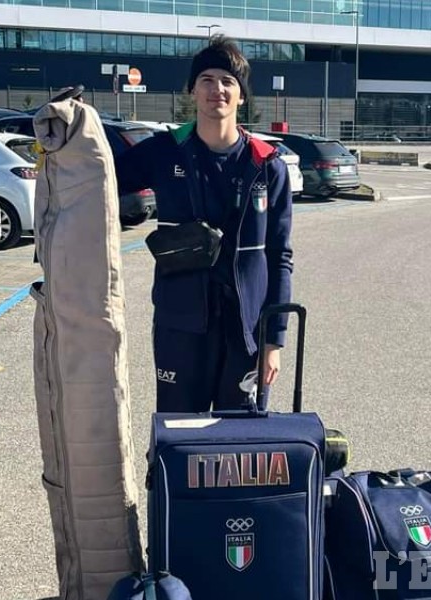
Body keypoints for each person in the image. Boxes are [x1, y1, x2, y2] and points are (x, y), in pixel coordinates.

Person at [115, 35, 293, 413]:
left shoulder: (267, 165)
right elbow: (100, 174)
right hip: (181, 325)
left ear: (242, 96)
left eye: (229, 82)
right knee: (178, 436)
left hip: (246, 332)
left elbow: (280, 257)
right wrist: (66, 135)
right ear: (193, 90)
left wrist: (273, 342)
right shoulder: (165, 152)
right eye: (208, 80)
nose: (218, 90)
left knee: (240, 446)